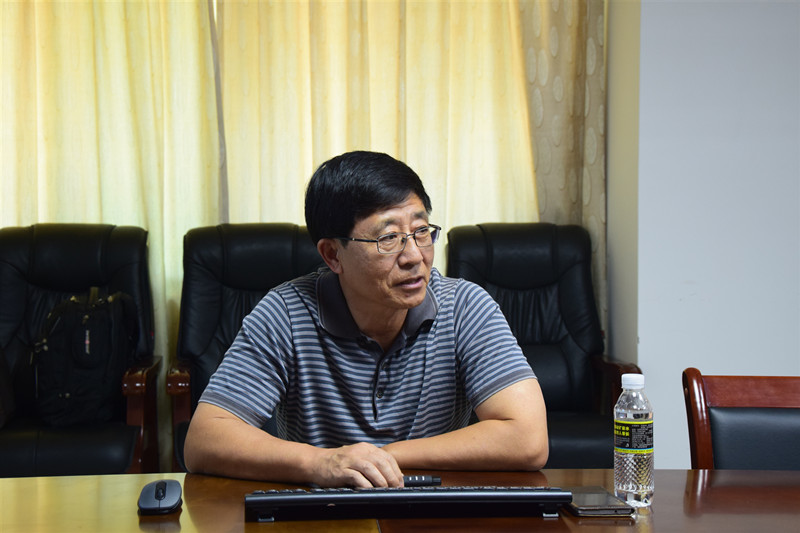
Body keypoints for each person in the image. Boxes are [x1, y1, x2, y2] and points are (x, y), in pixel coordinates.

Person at [183, 151, 548, 488]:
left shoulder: (466, 307)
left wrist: (383, 457)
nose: (414, 256)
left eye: (421, 231)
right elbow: (205, 440)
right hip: (324, 514)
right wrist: (322, 463)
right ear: (332, 255)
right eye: (388, 238)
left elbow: (528, 439)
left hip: (430, 511)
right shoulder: (286, 313)